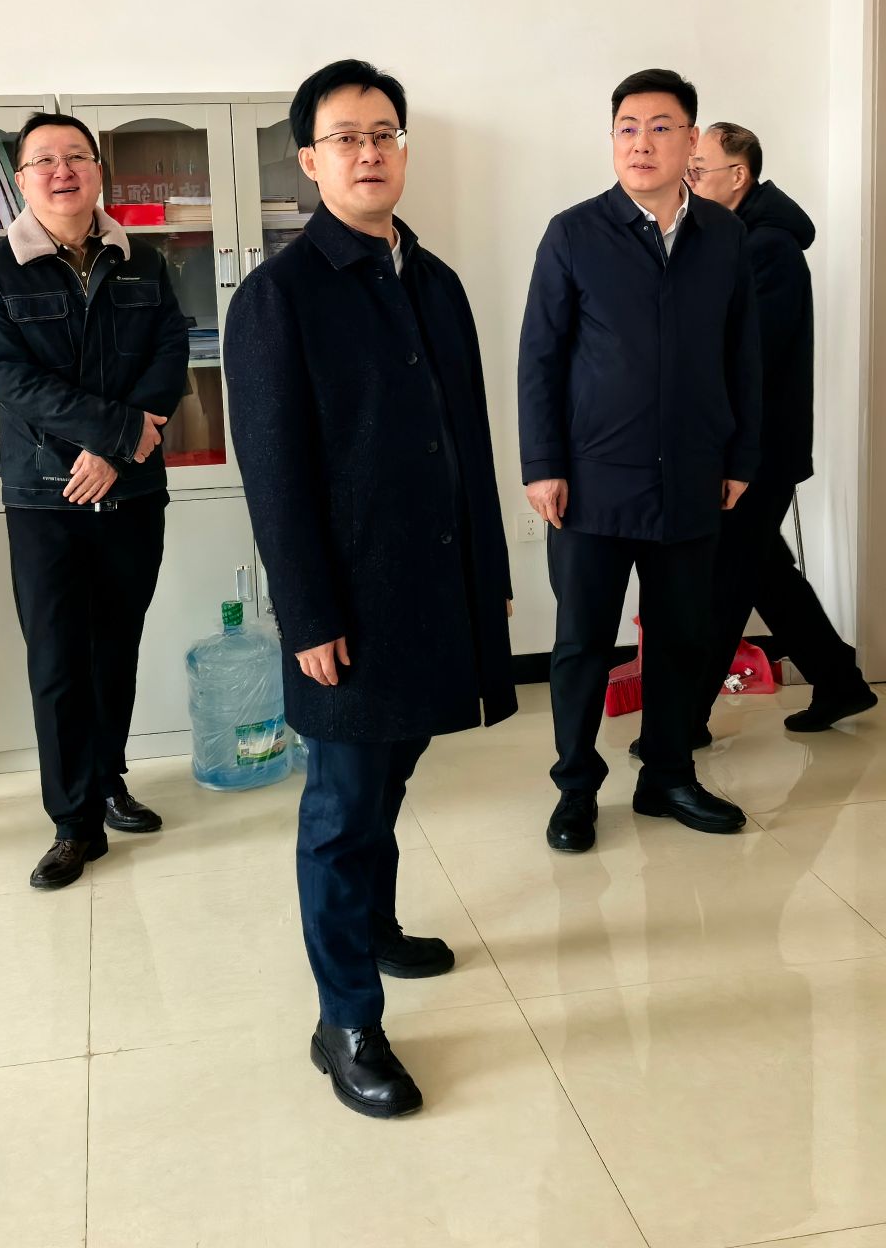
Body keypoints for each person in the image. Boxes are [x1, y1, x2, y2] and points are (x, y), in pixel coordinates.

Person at [227, 59, 516, 1119]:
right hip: (346, 605)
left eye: (384, 133)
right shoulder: (278, 298)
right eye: (345, 137)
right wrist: (306, 615)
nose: (368, 152)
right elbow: (274, 476)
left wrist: (489, 573)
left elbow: (468, 444)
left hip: (433, 584)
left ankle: (376, 928)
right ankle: (344, 1020)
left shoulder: (434, 282)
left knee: (391, 774)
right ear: (309, 162)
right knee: (343, 808)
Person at [518, 68, 760, 853]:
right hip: (592, 479)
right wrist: (542, 464)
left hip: (692, 474)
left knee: (682, 637)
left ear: (691, 142)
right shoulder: (574, 234)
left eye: (661, 127)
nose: (641, 143)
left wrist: (741, 453)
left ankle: (667, 774)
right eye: (627, 128)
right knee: (582, 643)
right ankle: (575, 789)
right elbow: (539, 357)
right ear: (612, 140)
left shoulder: (723, 236)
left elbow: (743, 354)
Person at [0, 113, 189, 890]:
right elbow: (13, 381)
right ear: (22, 179)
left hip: (133, 489)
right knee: (59, 660)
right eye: (44, 161)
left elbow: (170, 355)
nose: (62, 171)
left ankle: (109, 779)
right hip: (45, 495)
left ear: (97, 170)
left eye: (76, 157)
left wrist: (116, 451)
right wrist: (116, 433)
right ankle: (73, 823)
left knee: (116, 647)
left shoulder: (143, 260)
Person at [686, 122, 875, 738]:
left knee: (727, 578)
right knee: (762, 569)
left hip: (759, 450)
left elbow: (748, 357)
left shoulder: (768, 249)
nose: (689, 180)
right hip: (743, 445)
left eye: (698, 169)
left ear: (738, 176)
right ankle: (840, 680)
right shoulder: (735, 239)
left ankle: (684, 722)